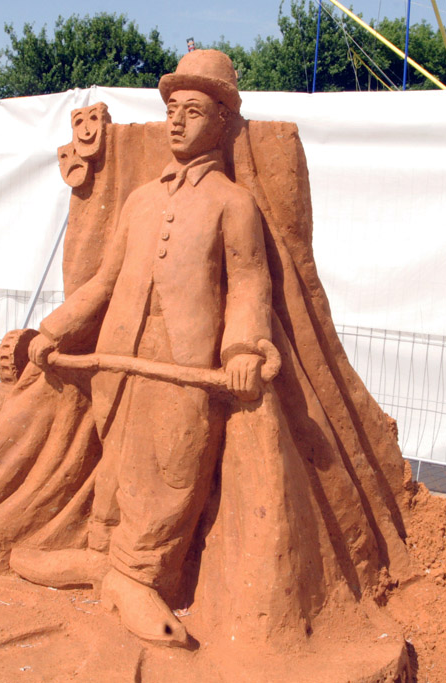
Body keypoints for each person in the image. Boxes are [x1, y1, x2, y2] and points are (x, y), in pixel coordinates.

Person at [17, 49, 272, 647]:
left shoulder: (233, 204)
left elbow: (248, 284)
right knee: (118, 458)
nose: (176, 121)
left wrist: (241, 350)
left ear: (223, 122)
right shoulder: (139, 200)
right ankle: (100, 556)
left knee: (172, 467)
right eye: (171, 109)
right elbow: (104, 282)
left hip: (185, 361)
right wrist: (53, 330)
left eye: (193, 110)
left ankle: (140, 575)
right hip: (120, 351)